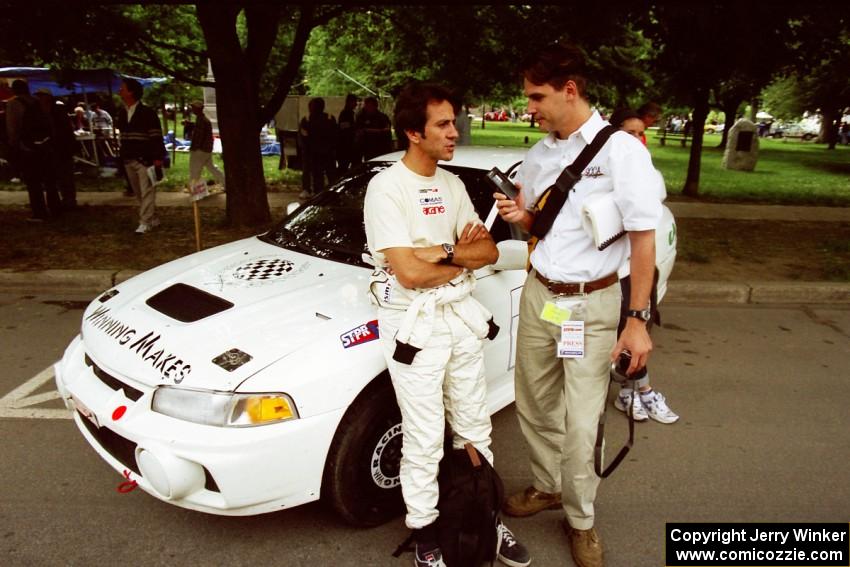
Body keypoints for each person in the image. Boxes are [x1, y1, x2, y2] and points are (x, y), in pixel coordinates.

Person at [494, 44, 663, 567]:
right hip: (542, 295)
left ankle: (581, 518)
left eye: (537, 96)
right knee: (533, 401)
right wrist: (522, 217)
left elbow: (643, 240)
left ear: (571, 90)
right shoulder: (542, 152)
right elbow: (542, 221)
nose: (530, 108)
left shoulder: (622, 151)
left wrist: (636, 322)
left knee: (582, 420)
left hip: (592, 305)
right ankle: (547, 485)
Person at [364, 82, 530, 567]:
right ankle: (425, 534)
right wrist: (454, 258)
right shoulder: (387, 189)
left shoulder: (453, 186)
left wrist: (439, 251)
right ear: (414, 132)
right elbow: (409, 275)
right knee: (424, 433)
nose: (454, 131)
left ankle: (483, 515)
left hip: (459, 318)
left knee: (475, 426)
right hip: (414, 327)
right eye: (443, 124)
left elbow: (489, 251)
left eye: (453, 121)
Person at [606, 108, 679, 424]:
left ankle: (634, 390)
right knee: (624, 330)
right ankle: (640, 390)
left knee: (636, 328)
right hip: (611, 272)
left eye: (640, 133)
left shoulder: (644, 169)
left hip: (637, 267)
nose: (636, 139)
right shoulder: (606, 171)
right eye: (629, 133)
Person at [115, 78, 166, 234]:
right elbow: (123, 136)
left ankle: (145, 222)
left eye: (122, 88)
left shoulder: (147, 113)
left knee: (147, 191)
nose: (119, 91)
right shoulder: (122, 113)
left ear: (131, 92)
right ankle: (153, 217)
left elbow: (156, 137)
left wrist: (157, 158)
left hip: (145, 160)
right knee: (139, 193)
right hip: (128, 158)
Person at [5, 80, 60, 221]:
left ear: (14, 90)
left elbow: (13, 127)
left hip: (27, 147)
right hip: (45, 146)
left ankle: (39, 212)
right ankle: (55, 208)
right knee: (49, 179)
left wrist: (14, 146)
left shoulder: (13, 104)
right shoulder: (38, 101)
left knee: (33, 181)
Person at [35, 89, 77, 210]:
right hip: (53, 148)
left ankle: (69, 200)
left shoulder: (56, 111)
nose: (40, 99)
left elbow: (65, 130)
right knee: (58, 175)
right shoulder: (43, 112)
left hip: (62, 147)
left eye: (41, 96)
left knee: (66, 175)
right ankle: (64, 200)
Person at [298, 97, 337, 199]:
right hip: (317, 152)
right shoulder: (308, 119)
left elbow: (335, 135)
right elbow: (304, 137)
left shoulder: (328, 118)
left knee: (323, 173)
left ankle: (326, 191)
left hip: (323, 151)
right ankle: (322, 191)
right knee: (319, 173)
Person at [188, 100, 225, 190]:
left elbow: (199, 137)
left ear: (197, 109)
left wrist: (194, 148)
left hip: (200, 150)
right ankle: (226, 183)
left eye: (193, 108)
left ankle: (195, 191)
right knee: (212, 168)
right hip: (207, 149)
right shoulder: (203, 120)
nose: (192, 109)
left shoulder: (201, 121)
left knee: (195, 171)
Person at [355, 96, 393, 160]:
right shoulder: (361, 117)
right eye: (366, 105)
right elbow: (359, 130)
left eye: (369, 106)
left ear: (375, 106)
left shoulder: (382, 117)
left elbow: (387, 130)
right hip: (367, 148)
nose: (366, 108)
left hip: (380, 147)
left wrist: (370, 131)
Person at [336, 93, 359, 172]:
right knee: (343, 166)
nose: (356, 104)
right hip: (345, 145)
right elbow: (343, 127)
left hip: (349, 145)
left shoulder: (351, 113)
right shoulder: (345, 114)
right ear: (349, 102)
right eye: (354, 102)